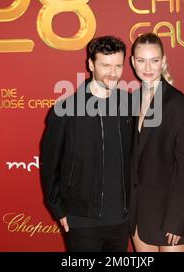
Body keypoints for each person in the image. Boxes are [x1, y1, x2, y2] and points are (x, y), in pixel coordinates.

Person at [40, 35, 133, 252]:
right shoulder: (66, 109)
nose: (113, 73)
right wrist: (58, 209)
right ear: (91, 64)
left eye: (118, 66)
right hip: (81, 220)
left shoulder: (131, 104)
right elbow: (50, 163)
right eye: (105, 65)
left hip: (121, 220)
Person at [129, 32, 184, 252]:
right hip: (140, 211)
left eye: (154, 60)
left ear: (163, 61)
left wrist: (177, 220)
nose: (148, 67)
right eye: (141, 60)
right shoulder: (129, 101)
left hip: (172, 210)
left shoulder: (179, 106)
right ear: (133, 62)